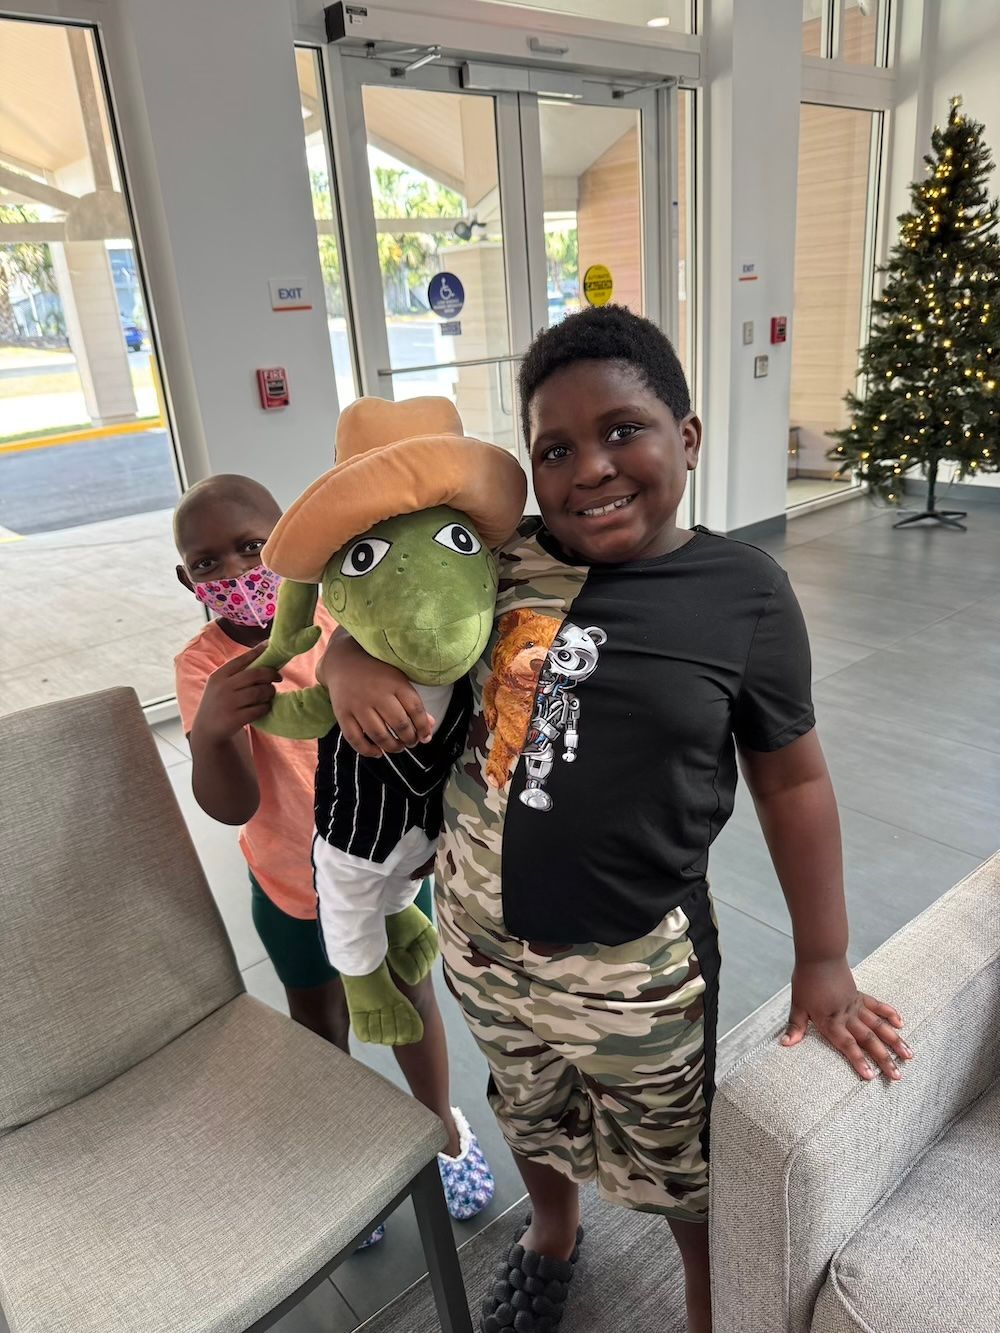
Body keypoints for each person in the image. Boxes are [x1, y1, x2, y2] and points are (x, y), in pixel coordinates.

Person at [316, 306, 912, 1333]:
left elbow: (793, 783)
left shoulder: (743, 594)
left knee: (680, 1161)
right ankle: (552, 1232)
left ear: (686, 436)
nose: (589, 468)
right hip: (480, 942)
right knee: (525, 1103)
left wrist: (823, 955)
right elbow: (390, 610)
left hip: (637, 969)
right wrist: (344, 660)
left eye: (623, 430)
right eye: (555, 449)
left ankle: (707, 1304)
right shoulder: (503, 562)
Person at [172, 474, 495, 1237]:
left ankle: (439, 1130)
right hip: (289, 887)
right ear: (187, 580)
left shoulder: (347, 614)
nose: (234, 572)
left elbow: (424, 724)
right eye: (208, 562)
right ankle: (353, 1160)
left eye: (251, 547)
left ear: (288, 546)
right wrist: (214, 730)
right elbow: (232, 804)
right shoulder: (202, 668)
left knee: (411, 995)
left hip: (385, 867)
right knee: (320, 1022)